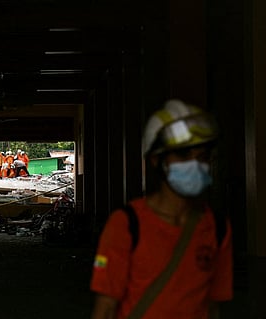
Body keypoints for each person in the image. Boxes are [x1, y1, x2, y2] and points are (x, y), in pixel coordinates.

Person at [90, 99, 233, 319]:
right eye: (183, 155)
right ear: (157, 160)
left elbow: (213, 306)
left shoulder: (218, 228)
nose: (194, 165)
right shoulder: (127, 224)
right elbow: (106, 307)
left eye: (202, 156)